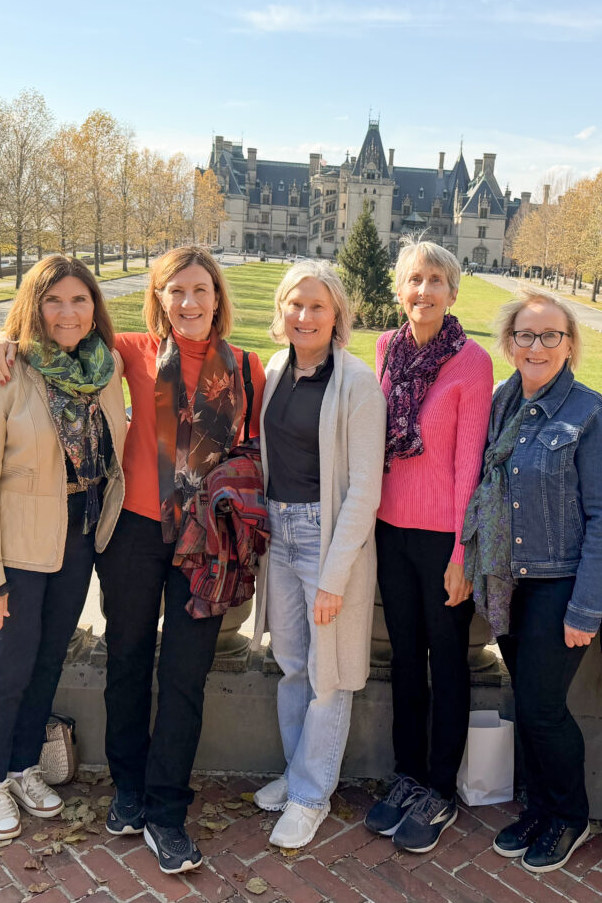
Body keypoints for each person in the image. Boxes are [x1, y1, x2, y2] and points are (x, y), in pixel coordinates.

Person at [0, 246, 265, 874]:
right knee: (128, 662)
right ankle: (129, 789)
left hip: (206, 543)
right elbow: (50, 342)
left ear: (218, 296)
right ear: (157, 299)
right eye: (175, 291)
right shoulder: (127, 353)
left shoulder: (247, 367)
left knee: (186, 674)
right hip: (132, 533)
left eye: (200, 290)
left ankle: (167, 810)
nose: (188, 303)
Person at [0, 256, 127, 841]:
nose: (68, 312)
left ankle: (22, 764)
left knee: (50, 660)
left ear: (94, 307)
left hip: (79, 539)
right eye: (54, 300)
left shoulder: (106, 366)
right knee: (9, 665)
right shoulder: (2, 371)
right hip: (18, 550)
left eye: (80, 300)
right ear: (34, 304)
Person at [463, 290, 602, 873]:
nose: (536, 346)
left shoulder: (589, 413)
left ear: (570, 344)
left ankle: (570, 817)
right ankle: (539, 807)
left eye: (549, 336)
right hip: (509, 580)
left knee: (542, 706)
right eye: (526, 336)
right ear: (509, 343)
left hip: (559, 581)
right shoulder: (500, 403)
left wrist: (586, 608)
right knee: (525, 702)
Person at [364, 239, 493, 853]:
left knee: (447, 662)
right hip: (391, 529)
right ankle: (408, 775)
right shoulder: (386, 349)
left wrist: (462, 555)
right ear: (399, 289)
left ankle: (440, 787)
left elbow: (470, 466)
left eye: (436, 279)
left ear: (453, 291)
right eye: (415, 278)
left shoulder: (471, 363)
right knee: (405, 659)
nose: (424, 290)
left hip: (444, 537)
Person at [251, 263, 386, 849]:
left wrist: (336, 574)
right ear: (281, 311)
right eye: (295, 305)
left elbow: (364, 489)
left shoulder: (356, 383)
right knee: (292, 664)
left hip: (325, 537)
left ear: (338, 317)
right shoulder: (276, 369)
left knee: (328, 674)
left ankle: (311, 797)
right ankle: (296, 772)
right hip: (276, 533)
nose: (304, 317)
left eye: (318, 307)